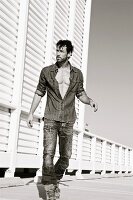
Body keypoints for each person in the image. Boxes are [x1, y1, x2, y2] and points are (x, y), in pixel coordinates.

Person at [27, 40, 98, 200]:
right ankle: (51, 192)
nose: (58, 53)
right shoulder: (46, 71)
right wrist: (31, 113)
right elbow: (39, 92)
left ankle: (54, 180)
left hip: (68, 120)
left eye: (61, 51)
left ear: (69, 54)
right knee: (48, 155)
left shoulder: (77, 74)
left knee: (65, 156)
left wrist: (90, 101)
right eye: (57, 50)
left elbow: (80, 93)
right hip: (51, 118)